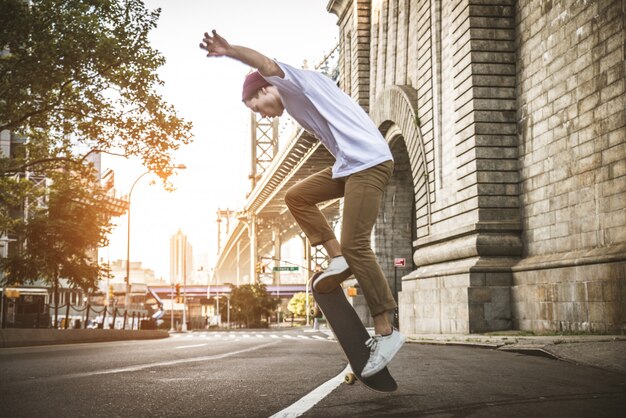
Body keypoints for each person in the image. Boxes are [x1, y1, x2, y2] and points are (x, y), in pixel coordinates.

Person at [200, 30, 405, 378]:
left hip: (369, 163)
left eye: (257, 108)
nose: (263, 117)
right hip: (349, 166)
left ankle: (385, 331)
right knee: (296, 196)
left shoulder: (293, 83)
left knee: (358, 244)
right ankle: (337, 256)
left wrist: (230, 50)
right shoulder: (296, 100)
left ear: (266, 87)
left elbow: (263, 62)